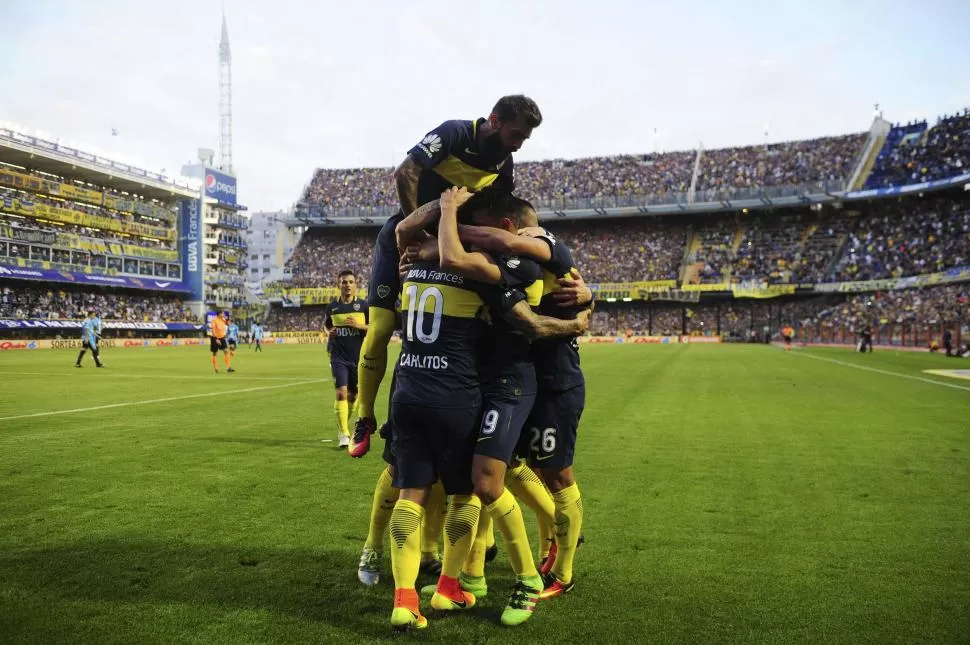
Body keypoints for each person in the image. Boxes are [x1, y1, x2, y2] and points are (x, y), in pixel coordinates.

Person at [387, 187, 589, 631]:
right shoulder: (453, 263)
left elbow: (531, 321)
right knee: (485, 480)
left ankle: (529, 580)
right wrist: (439, 225)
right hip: (471, 383)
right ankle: (463, 580)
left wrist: (582, 313)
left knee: (488, 479)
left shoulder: (519, 262)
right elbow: (410, 235)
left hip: (511, 383)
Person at [350, 95, 543, 459]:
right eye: (516, 134)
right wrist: (419, 236)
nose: (519, 143)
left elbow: (496, 210)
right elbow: (405, 173)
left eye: (525, 139)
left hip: (450, 243)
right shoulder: (454, 134)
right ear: (495, 121)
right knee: (379, 328)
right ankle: (364, 417)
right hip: (406, 235)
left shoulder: (505, 162)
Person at [459, 217, 594, 600]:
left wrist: (588, 299)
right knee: (516, 467)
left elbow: (546, 318)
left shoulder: (548, 251)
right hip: (523, 384)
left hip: (556, 384)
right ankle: (540, 545)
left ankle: (563, 572)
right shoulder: (522, 270)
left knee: (558, 476)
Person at [324, 270, 368, 448]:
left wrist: (359, 325)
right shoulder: (332, 307)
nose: (347, 285)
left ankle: (344, 424)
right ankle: (344, 433)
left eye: (350, 282)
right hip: (338, 357)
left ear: (355, 285)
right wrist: (329, 332)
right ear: (338, 285)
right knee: (341, 392)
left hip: (358, 358)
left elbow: (374, 327)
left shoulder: (364, 306)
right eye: (344, 282)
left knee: (353, 396)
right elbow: (327, 325)